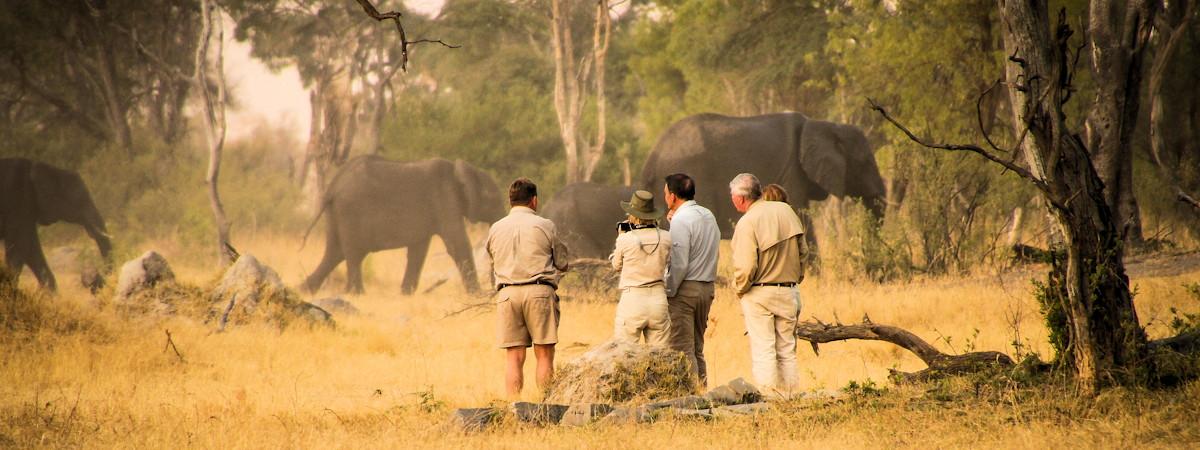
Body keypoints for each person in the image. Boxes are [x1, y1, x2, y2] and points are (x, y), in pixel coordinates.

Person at [483, 178, 569, 398]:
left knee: (514, 357)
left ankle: (514, 407)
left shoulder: (496, 228)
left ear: (510, 201)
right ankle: (546, 405)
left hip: (507, 294)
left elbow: (490, 261)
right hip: (539, 291)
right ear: (534, 201)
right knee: (544, 354)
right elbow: (562, 262)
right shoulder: (545, 225)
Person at [728, 173, 808, 395]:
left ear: (741, 198)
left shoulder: (748, 222)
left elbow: (745, 267)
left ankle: (769, 399)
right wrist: (794, 278)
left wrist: (740, 289)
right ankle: (790, 398)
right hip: (789, 290)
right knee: (787, 350)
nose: (732, 200)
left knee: (764, 349)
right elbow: (804, 253)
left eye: (733, 196)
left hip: (759, 292)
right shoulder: (787, 211)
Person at [662, 173, 721, 385]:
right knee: (697, 348)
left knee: (682, 349)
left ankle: (690, 397)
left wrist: (669, 290)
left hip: (685, 290)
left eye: (666, 193)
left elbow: (679, 263)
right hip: (707, 288)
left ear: (673, 196)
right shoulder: (708, 215)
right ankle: (704, 393)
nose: (665, 197)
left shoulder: (681, 220)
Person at [609, 190, 672, 345]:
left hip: (633, 299)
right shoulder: (666, 237)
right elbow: (669, 264)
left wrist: (621, 237)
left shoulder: (625, 239)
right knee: (660, 359)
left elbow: (616, 265)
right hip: (658, 300)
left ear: (633, 215)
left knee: (625, 356)